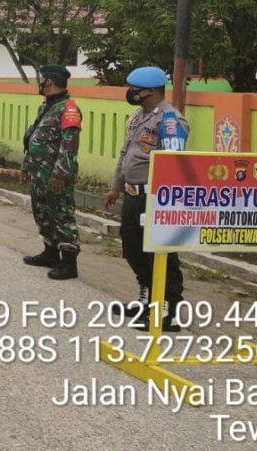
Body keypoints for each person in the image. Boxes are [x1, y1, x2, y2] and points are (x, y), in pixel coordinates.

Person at [103, 65, 189, 331]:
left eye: (135, 89)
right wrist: (115, 186)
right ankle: (147, 297)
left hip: (154, 196)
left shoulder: (170, 121)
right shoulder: (137, 118)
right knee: (132, 248)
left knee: (161, 253)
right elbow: (125, 154)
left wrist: (164, 200)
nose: (131, 93)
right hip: (132, 194)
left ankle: (168, 308)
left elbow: (174, 163)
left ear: (150, 91)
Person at [21, 65, 83, 280]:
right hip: (39, 173)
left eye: (42, 79)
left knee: (62, 215)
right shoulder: (46, 107)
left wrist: (61, 174)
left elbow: (69, 144)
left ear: (50, 81)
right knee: (43, 213)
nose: (39, 82)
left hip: (55, 176)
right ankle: (50, 253)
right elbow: (34, 139)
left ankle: (68, 262)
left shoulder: (68, 109)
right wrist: (26, 166)